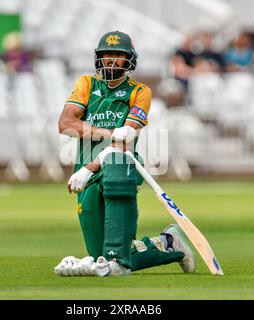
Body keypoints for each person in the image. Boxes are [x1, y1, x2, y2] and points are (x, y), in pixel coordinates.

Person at [55, 30, 196, 277]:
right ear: (98, 58)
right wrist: (109, 133)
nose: (111, 60)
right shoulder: (87, 85)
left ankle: (145, 251)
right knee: (105, 256)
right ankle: (169, 244)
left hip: (122, 165)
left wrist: (91, 167)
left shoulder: (140, 92)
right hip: (85, 165)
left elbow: (125, 142)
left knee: (113, 258)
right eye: (106, 54)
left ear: (129, 59)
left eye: (118, 55)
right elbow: (66, 124)